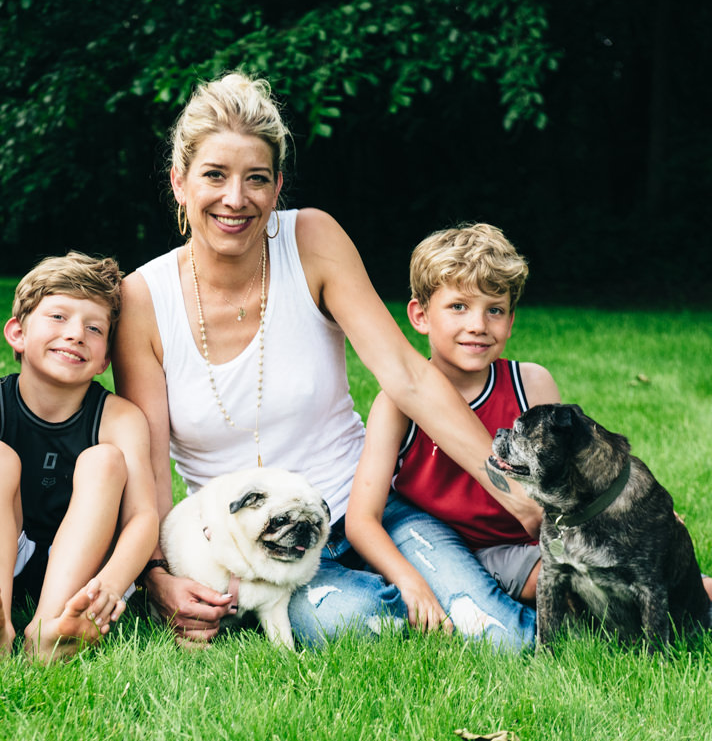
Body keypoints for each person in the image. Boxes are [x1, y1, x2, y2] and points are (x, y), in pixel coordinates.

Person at [111, 72, 544, 649]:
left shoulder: (310, 240)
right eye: (214, 175)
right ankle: (434, 586)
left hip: (365, 512)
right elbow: (147, 462)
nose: (236, 199)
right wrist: (158, 575)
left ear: (277, 185)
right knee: (356, 622)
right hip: (255, 552)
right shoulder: (143, 299)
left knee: (496, 640)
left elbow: (409, 376)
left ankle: (513, 589)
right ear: (180, 183)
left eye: (256, 179)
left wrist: (516, 492)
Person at [0, 253, 157, 662]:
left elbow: (143, 517)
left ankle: (50, 628)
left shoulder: (120, 418)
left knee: (105, 461)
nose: (76, 334)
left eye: (94, 328)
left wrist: (110, 584)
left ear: (106, 357)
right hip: (1, 554)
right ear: (17, 333)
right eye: (58, 317)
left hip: (85, 569)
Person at [345, 223, 555, 647]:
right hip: (461, 552)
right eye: (458, 307)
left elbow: (571, 480)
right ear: (420, 315)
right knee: (566, 591)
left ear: (511, 321)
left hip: (533, 540)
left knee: (644, 569)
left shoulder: (530, 384)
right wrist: (408, 580)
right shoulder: (397, 405)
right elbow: (361, 520)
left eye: (494, 310)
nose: (478, 324)